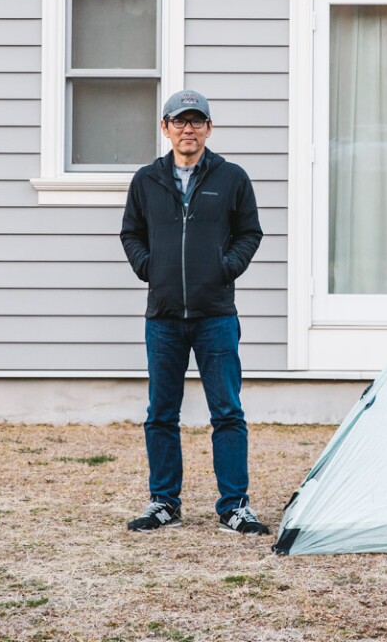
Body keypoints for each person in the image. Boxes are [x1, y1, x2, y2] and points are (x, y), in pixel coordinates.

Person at [119, 89, 269, 535]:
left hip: (216, 313)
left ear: (208, 128)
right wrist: (151, 269)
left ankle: (234, 506)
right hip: (163, 316)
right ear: (165, 128)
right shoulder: (147, 180)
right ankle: (164, 502)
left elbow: (250, 232)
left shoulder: (232, 177)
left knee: (227, 411)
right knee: (161, 413)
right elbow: (131, 233)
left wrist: (224, 268)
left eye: (197, 121)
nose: (189, 129)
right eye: (179, 122)